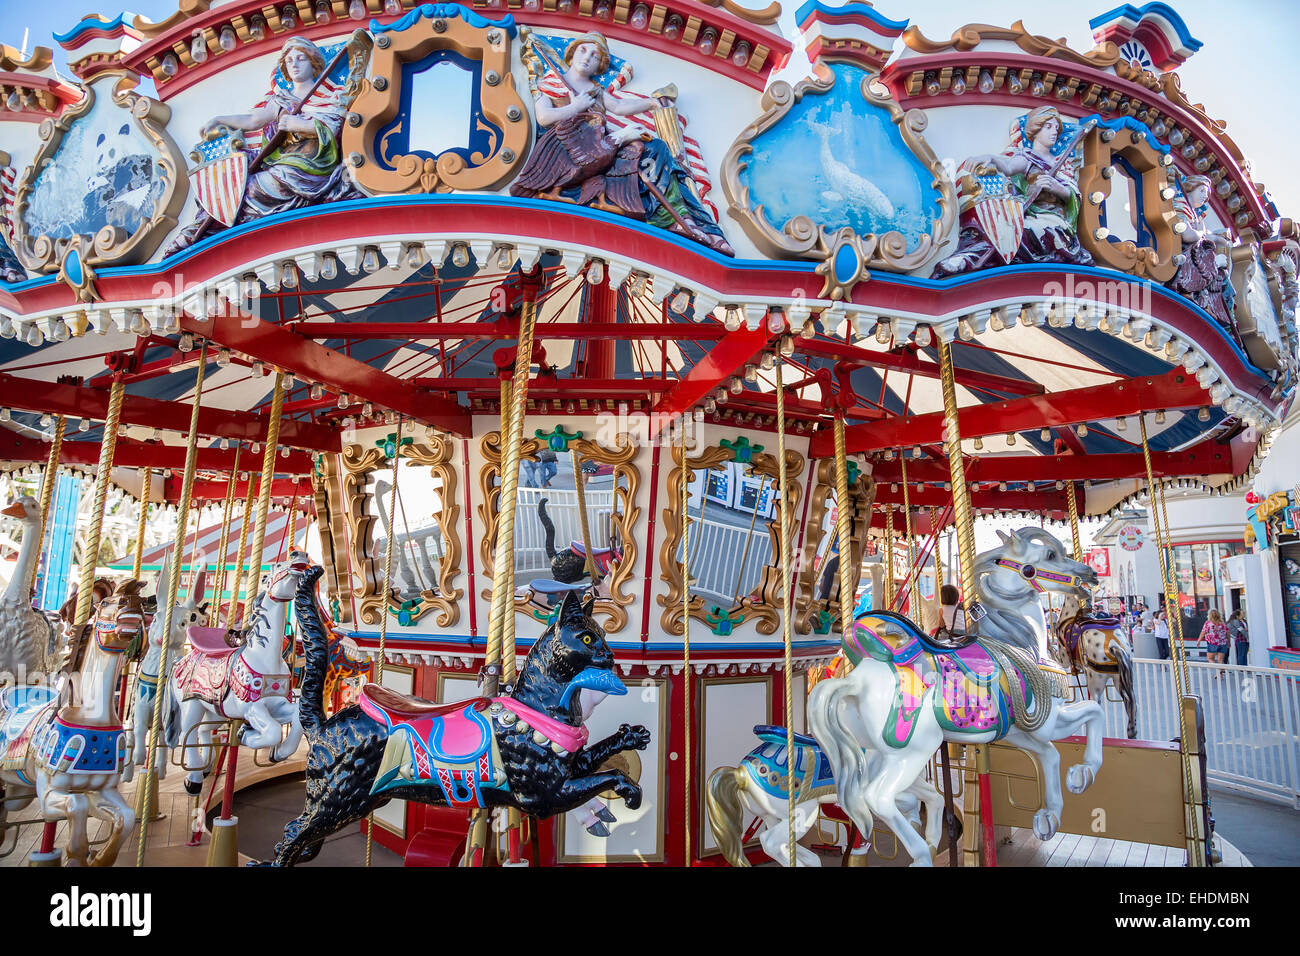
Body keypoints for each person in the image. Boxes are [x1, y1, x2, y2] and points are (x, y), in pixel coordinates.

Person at [510, 32, 734, 256]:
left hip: (600, 150)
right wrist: (575, 106)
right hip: (568, 153)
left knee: (656, 148)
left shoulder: (595, 90)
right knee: (630, 144)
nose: (587, 57)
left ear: (600, 65)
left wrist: (651, 103)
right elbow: (544, 117)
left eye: (595, 56)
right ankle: (666, 215)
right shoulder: (550, 82)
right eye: (583, 50)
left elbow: (618, 107)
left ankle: (683, 218)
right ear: (571, 53)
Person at [163, 37, 361, 256]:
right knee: (236, 184)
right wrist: (220, 119)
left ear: (312, 62)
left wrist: (302, 125)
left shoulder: (329, 96)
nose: (294, 64)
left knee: (253, 189)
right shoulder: (282, 99)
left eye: (300, 58)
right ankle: (205, 229)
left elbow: (334, 126)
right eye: (289, 60)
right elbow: (252, 121)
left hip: (311, 163)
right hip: (285, 160)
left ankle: (213, 230)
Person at [932, 105, 1093, 277]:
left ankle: (969, 259)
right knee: (1002, 230)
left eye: (1056, 128)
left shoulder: (1061, 164)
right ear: (1036, 129)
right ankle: (967, 257)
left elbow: (1073, 194)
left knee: (1021, 234)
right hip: (1032, 215)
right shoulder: (1027, 157)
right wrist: (990, 157)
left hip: (1055, 221)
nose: (1055, 131)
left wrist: (1057, 188)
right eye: (1049, 127)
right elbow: (1008, 167)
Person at [1166, 174, 1236, 331]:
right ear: (1190, 189)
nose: (1205, 196)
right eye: (1202, 190)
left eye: (1207, 193)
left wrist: (1218, 239)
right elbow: (1188, 235)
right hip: (1184, 257)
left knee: (1223, 279)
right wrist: (1201, 233)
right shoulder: (1180, 206)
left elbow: (1201, 233)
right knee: (1216, 269)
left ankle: (1223, 315)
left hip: (1192, 256)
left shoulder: (1192, 213)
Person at [1201, 608, 1229, 674]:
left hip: (1212, 643)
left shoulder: (1208, 623)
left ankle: (1219, 670)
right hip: (1223, 643)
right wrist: (1229, 642)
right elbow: (1228, 633)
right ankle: (1220, 673)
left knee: (1210, 658)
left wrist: (1199, 640)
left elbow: (1203, 632)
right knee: (1220, 660)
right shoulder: (1222, 623)